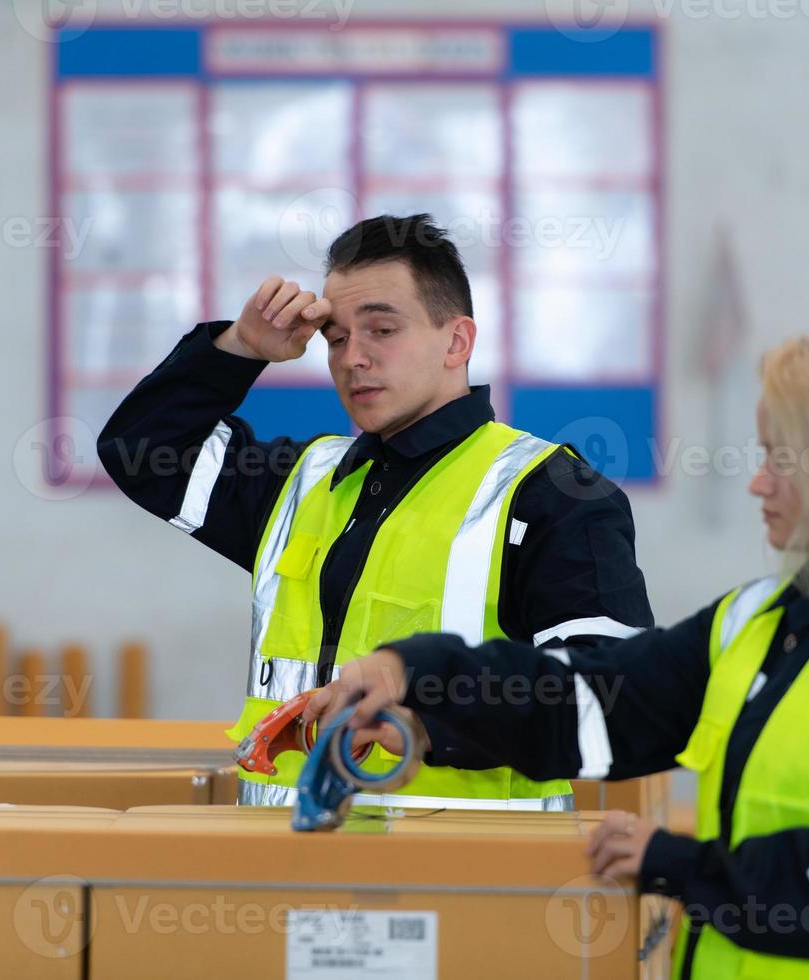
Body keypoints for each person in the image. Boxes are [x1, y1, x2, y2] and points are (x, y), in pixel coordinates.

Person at [308, 331, 809, 977]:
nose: (757, 481)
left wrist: (671, 862)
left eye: (778, 458)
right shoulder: (762, 624)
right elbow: (591, 704)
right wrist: (423, 676)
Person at [98, 213, 653, 809]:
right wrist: (239, 348)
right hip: (282, 873)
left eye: (382, 330)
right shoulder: (300, 482)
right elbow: (141, 450)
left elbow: (613, 692)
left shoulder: (551, 493)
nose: (352, 358)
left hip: (467, 885)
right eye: (336, 338)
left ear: (457, 341)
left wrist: (426, 729)